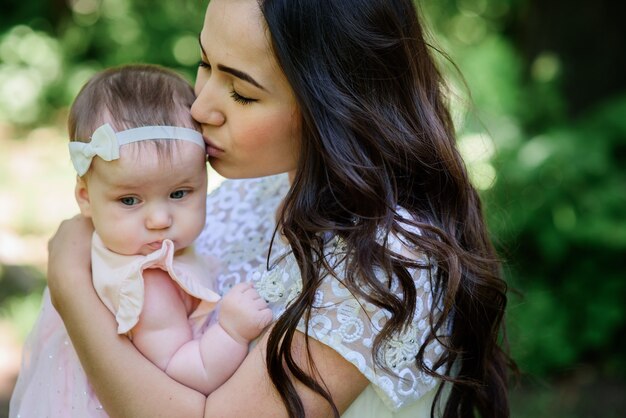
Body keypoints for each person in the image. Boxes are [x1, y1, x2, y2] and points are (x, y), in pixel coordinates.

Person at [44, 0, 514, 417]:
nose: (200, 107)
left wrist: (71, 289)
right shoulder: (259, 185)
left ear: (333, 104)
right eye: (205, 64)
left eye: (242, 93)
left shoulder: (380, 263)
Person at [9, 64, 272, 417]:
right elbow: (188, 371)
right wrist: (232, 331)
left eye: (180, 193)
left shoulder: (123, 246)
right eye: (130, 200)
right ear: (85, 197)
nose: (160, 220)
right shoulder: (150, 283)